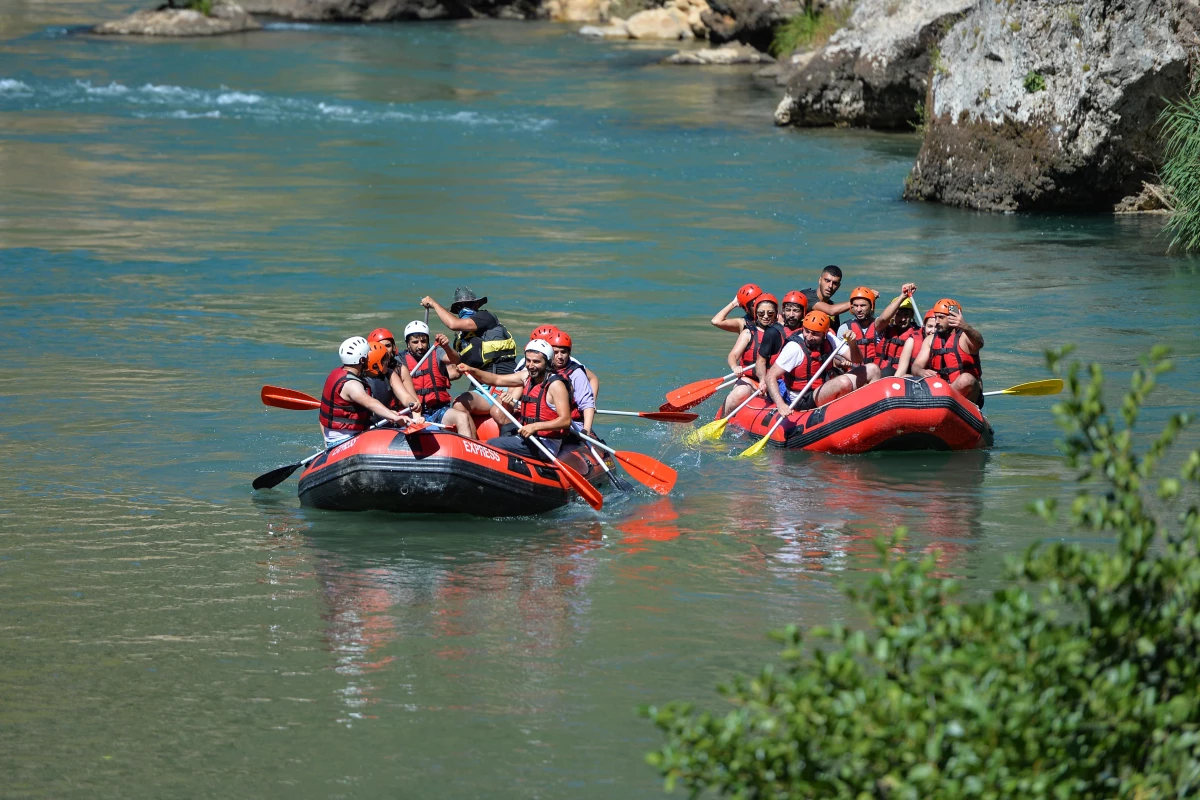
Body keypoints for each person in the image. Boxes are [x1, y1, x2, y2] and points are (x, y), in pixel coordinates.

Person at [459, 339, 574, 461]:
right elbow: (496, 379)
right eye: (528, 360)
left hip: (546, 444)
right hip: (528, 437)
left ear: (548, 363)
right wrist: (471, 370)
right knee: (506, 429)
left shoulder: (556, 385)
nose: (530, 365)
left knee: (493, 444)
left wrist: (534, 427)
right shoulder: (526, 377)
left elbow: (565, 421)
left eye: (536, 362)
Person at [765, 311, 868, 415]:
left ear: (825, 333)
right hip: (802, 398)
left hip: (823, 389)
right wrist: (781, 405)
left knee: (872, 369)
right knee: (844, 382)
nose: (809, 337)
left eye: (815, 334)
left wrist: (852, 343)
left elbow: (857, 360)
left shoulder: (829, 339)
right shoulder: (794, 348)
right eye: (806, 331)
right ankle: (843, 412)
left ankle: (871, 408)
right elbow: (770, 377)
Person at [319, 336, 409, 446]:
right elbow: (370, 402)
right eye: (368, 356)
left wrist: (389, 413)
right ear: (362, 360)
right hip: (345, 440)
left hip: (334, 437)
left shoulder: (336, 373)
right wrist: (395, 417)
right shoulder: (352, 385)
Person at [400, 321, 477, 438]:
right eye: (415, 342)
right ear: (408, 344)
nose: (420, 346)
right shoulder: (399, 361)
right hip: (414, 414)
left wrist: (446, 347)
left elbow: (455, 360)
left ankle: (468, 452)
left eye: (423, 341)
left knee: (462, 417)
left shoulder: (437, 352)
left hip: (439, 410)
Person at [420, 287, 518, 374]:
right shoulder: (460, 340)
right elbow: (456, 371)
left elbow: (453, 324)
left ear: (476, 305)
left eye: (468, 305)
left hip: (504, 376)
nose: (464, 309)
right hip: (480, 383)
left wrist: (434, 304)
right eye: (460, 307)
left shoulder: (485, 317)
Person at [913, 298, 985, 405]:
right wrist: (921, 372)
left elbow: (980, 342)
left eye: (941, 317)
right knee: (906, 378)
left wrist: (966, 327)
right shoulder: (930, 340)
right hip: (939, 391)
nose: (937, 321)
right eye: (936, 317)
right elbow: (916, 366)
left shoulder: (965, 337)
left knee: (966, 379)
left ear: (953, 317)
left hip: (965, 397)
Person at [719, 293, 779, 415]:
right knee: (740, 393)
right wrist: (735, 367)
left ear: (776, 314)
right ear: (756, 314)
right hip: (750, 381)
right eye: (761, 313)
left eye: (770, 314)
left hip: (773, 383)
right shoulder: (748, 333)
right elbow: (733, 356)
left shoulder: (782, 333)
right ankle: (722, 418)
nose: (766, 317)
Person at [874, 296, 922, 378]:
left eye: (906, 315)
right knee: (887, 371)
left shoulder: (919, 334)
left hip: (904, 376)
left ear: (912, 315)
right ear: (892, 315)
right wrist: (903, 296)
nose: (903, 319)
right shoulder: (883, 330)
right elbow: (882, 320)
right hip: (881, 374)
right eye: (898, 315)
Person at [801, 265, 851, 331]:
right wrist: (859, 301)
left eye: (835, 283)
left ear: (838, 286)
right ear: (820, 280)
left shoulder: (834, 309)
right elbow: (830, 310)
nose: (830, 286)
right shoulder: (806, 296)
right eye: (827, 281)